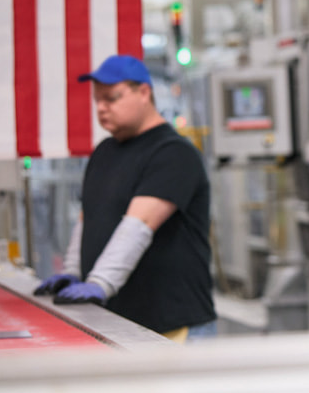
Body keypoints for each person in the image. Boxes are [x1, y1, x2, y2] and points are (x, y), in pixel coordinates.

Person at [34, 54, 216, 343]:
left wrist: (100, 283)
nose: (102, 108)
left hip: (174, 329)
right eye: (97, 101)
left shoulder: (173, 153)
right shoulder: (104, 152)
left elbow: (139, 224)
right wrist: (73, 272)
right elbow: (87, 219)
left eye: (112, 98)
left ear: (144, 92)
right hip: (123, 325)